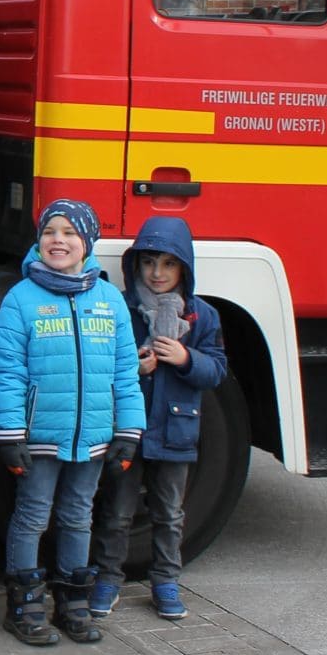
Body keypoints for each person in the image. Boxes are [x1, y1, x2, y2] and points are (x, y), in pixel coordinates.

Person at [0, 198, 146, 647]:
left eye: (69, 233)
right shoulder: (21, 299)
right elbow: (6, 370)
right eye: (49, 232)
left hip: (93, 438)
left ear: (87, 242)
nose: (58, 240)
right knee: (33, 516)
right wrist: (10, 433)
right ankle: (23, 604)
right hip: (40, 438)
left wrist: (128, 431)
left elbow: (124, 371)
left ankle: (73, 601)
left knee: (79, 516)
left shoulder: (109, 299)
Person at [91, 216, 226, 622]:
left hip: (175, 431)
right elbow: (102, 360)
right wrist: (133, 367)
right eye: (149, 263)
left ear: (184, 267)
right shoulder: (120, 307)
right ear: (136, 266)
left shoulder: (202, 316)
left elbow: (217, 369)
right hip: (129, 430)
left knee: (169, 513)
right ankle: (107, 576)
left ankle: (166, 579)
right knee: (116, 509)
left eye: (168, 264)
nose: (157, 273)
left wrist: (187, 360)